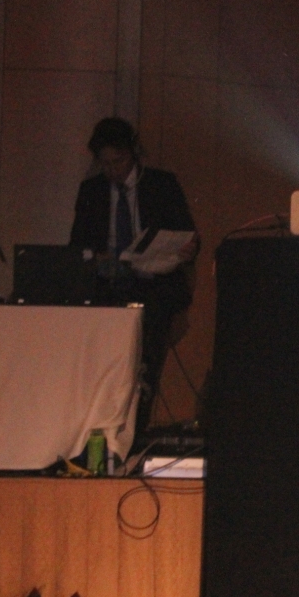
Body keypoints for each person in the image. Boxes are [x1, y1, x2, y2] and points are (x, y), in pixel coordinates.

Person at [70, 117, 199, 435]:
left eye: (119, 162)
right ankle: (104, 431)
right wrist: (95, 257)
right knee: (104, 368)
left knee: (145, 367)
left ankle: (136, 432)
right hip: (108, 286)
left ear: (134, 153)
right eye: (106, 164)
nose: (114, 171)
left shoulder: (161, 185)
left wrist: (187, 248)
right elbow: (76, 247)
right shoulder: (92, 191)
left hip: (153, 286)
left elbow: (188, 234)